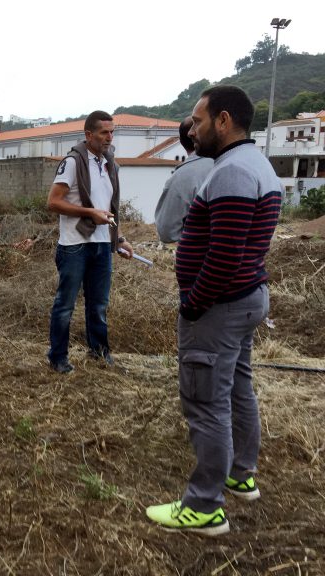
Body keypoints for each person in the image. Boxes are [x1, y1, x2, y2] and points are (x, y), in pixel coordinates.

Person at [146, 86, 282, 535]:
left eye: (198, 121)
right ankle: (240, 474)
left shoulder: (231, 174)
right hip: (245, 299)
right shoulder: (256, 164)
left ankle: (204, 506)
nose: (192, 128)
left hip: (219, 307)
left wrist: (193, 303)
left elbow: (223, 255)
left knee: (206, 400)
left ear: (223, 121)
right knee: (238, 388)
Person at [46, 111, 134, 374]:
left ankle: (98, 352)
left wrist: (119, 239)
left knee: (98, 305)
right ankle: (58, 358)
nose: (109, 137)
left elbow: (108, 208)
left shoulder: (109, 164)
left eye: (112, 132)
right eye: (104, 132)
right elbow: (53, 202)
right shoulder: (73, 162)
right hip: (74, 246)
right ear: (88, 135)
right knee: (65, 306)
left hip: (102, 246)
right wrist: (89, 213)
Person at [154, 117, 214, 243]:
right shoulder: (228, 163)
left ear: (181, 141)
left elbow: (166, 231)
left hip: (199, 257)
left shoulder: (183, 176)